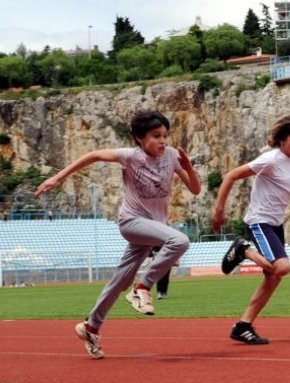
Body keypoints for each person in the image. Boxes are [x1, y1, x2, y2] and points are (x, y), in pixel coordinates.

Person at [34, 109, 201, 359]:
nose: (162, 141)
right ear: (138, 137)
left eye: (165, 135)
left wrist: (188, 167)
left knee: (119, 282)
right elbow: (93, 155)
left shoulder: (172, 156)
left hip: (152, 228)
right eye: (156, 136)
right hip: (132, 222)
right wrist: (57, 178)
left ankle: (90, 327)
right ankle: (142, 287)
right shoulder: (129, 157)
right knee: (180, 240)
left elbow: (195, 189)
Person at [212, 115, 290, 345]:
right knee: (283, 267)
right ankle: (243, 250)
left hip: (276, 224)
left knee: (274, 278)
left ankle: (243, 325)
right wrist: (219, 210)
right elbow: (231, 176)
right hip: (259, 221)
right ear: (282, 139)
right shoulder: (270, 159)